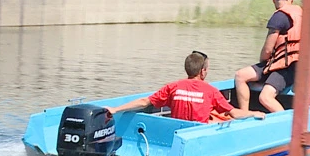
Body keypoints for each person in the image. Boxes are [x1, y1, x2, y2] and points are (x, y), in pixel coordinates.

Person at [106, 51, 265, 123]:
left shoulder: (172, 87)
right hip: (197, 134)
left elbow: (143, 102)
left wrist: (115, 109)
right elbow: (234, 113)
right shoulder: (210, 91)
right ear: (203, 71)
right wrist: (254, 113)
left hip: (175, 131)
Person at [234, 0, 305, 113]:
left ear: (274, 1)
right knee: (241, 75)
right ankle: (245, 115)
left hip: (288, 67)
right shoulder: (302, 14)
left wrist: (263, 64)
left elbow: (267, 50)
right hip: (297, 65)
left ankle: (285, 124)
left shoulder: (278, 17)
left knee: (265, 97)